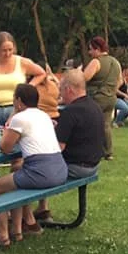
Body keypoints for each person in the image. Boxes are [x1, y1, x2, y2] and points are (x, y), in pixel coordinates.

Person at [0, 84, 67, 247]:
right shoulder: (44, 116)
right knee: (17, 170)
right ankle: (17, 230)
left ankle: (3, 236)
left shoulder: (20, 118)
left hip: (42, 172)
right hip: (60, 169)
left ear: (18, 101)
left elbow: (5, 147)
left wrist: (12, 118)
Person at [0, 31, 45, 197]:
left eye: (11, 50)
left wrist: (28, 88)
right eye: (4, 50)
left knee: (17, 157)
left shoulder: (21, 62)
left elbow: (41, 72)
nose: (8, 54)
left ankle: (14, 196)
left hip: (16, 111)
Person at [33, 68, 105, 223]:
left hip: (76, 167)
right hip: (93, 165)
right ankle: (42, 209)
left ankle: (26, 221)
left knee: (31, 168)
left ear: (69, 89)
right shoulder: (94, 107)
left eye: (61, 91)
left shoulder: (71, 111)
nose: (60, 96)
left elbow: (58, 148)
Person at [83, 36, 122, 161]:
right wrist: (112, 90)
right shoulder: (115, 62)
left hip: (97, 97)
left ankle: (92, 150)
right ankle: (108, 152)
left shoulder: (96, 61)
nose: (89, 52)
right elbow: (120, 80)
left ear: (97, 49)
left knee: (90, 123)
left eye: (91, 49)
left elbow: (85, 78)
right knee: (106, 125)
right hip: (111, 97)